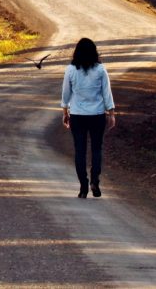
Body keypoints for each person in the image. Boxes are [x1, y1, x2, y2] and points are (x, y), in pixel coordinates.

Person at [61, 38, 116, 198]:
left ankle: (83, 186)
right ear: (94, 52)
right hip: (97, 115)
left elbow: (65, 93)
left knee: (80, 151)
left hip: (77, 116)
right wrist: (111, 114)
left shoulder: (70, 70)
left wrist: (65, 112)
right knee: (97, 149)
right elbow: (107, 93)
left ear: (76, 52)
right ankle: (95, 181)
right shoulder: (100, 70)